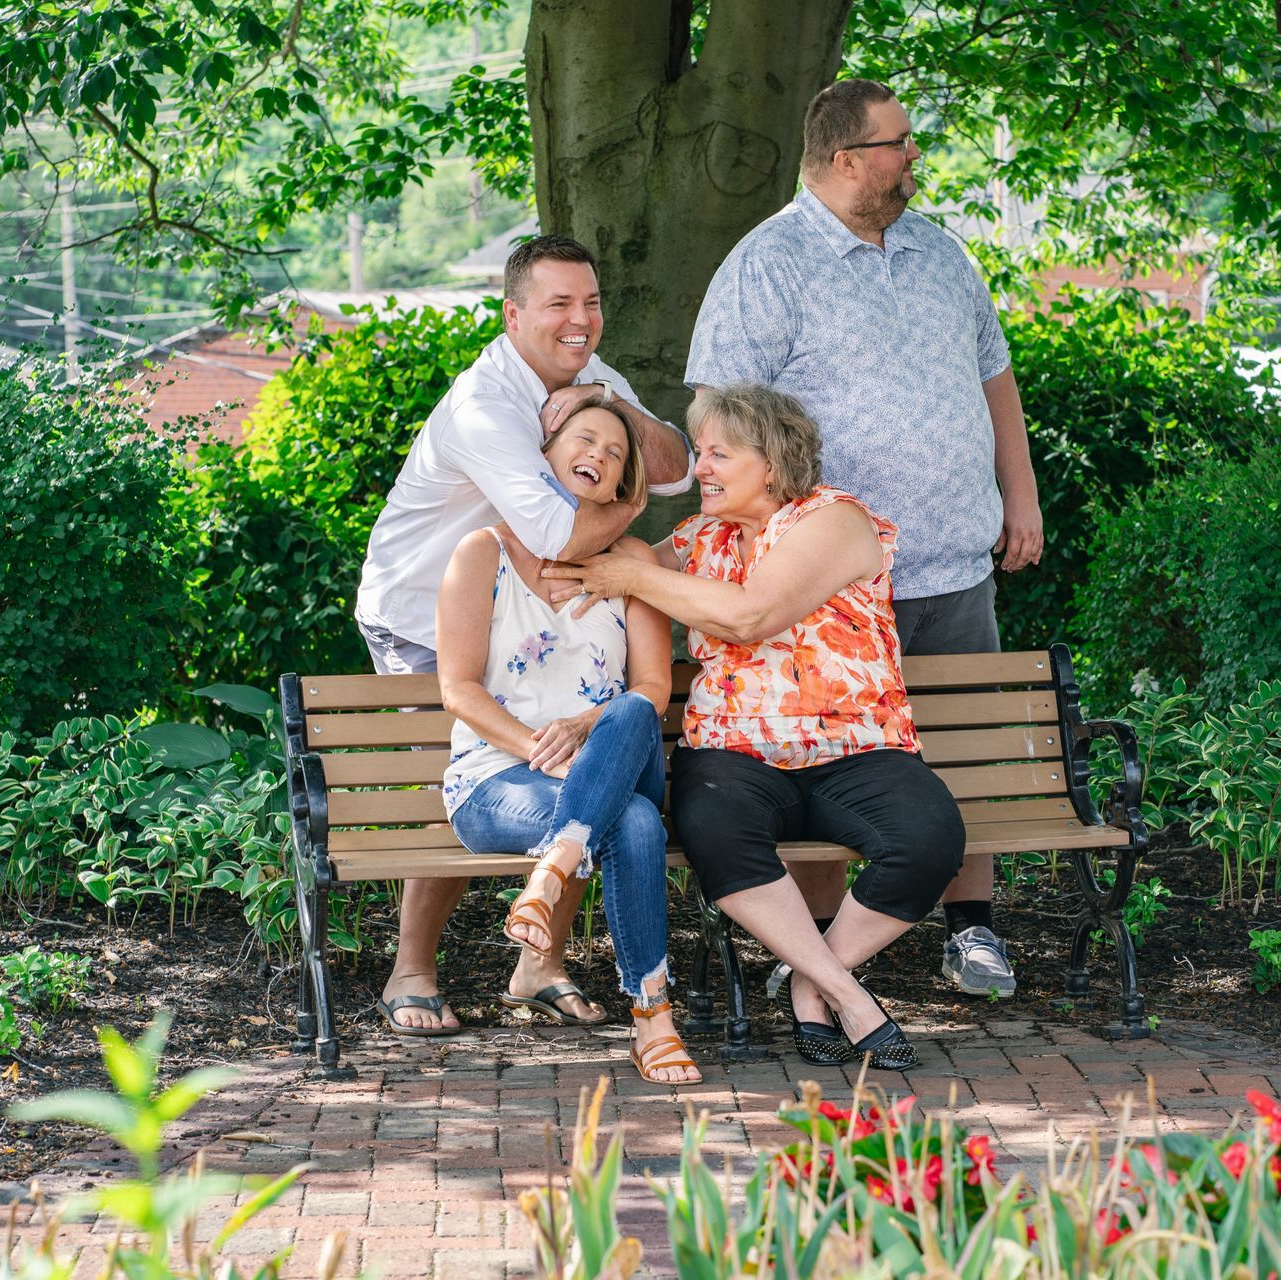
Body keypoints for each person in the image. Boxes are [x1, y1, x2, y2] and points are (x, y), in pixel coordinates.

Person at [682, 77, 1041, 998]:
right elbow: (718, 414)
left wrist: (1021, 495)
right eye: (900, 143)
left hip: (952, 563)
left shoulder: (942, 255)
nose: (914, 156)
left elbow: (995, 381)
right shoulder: (767, 263)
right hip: (825, 585)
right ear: (847, 160)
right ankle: (814, 953)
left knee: (963, 753)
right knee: (827, 755)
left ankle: (973, 931)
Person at [547, 384, 965, 1071]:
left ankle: (812, 978)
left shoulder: (833, 519)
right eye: (700, 452)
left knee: (928, 838)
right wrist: (612, 516)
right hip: (733, 753)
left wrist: (632, 574)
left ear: (771, 463)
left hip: (855, 747)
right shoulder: (697, 541)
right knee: (713, 827)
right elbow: (596, 558)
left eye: (719, 454)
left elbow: (750, 615)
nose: (700, 467)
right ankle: (845, 995)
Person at [355, 235, 691, 1037]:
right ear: (513, 315)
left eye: (592, 302)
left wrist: (616, 419)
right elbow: (552, 531)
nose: (581, 322)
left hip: (553, 607)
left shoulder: (592, 379)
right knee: (455, 783)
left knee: (585, 750)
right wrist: (630, 496)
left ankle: (537, 961)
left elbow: (675, 465)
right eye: (558, 305)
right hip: (437, 604)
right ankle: (412, 969)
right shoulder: (484, 405)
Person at [435, 398, 699, 1085]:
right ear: (547, 455)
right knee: (634, 822)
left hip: (613, 757)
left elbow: (651, 689)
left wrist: (588, 726)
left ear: (619, 492)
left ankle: (557, 863)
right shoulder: (480, 553)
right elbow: (459, 689)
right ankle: (654, 1021)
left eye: (617, 455)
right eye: (587, 439)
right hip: (499, 777)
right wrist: (537, 747)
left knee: (632, 712)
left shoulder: (634, 562)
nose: (601, 455)